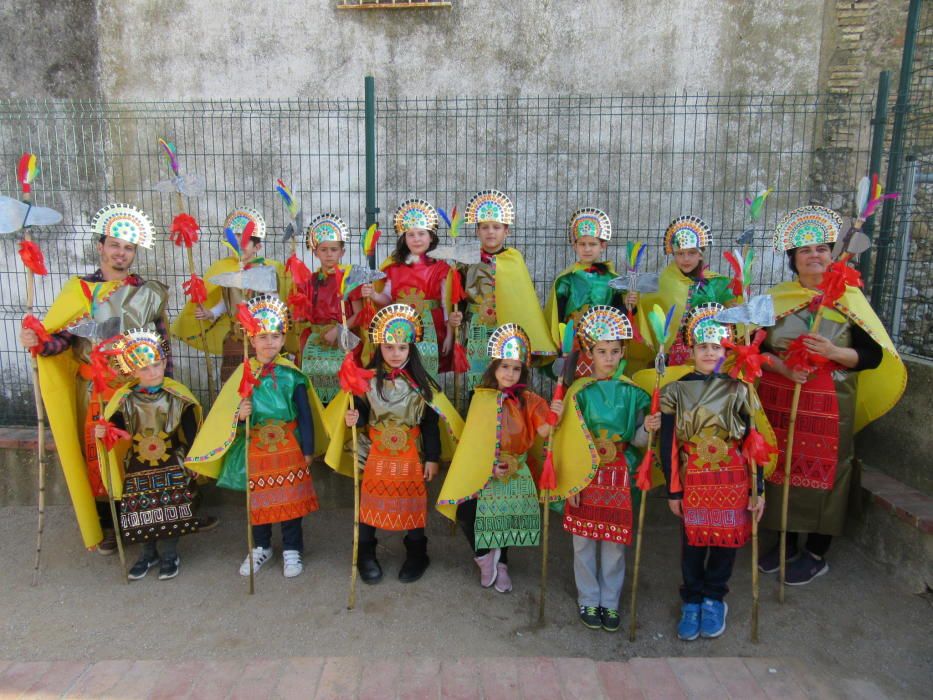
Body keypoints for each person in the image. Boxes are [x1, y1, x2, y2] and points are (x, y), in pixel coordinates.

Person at [757, 205, 906, 584]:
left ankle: (816, 550)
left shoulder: (848, 298)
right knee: (782, 470)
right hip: (781, 397)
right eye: (805, 251)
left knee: (825, 473)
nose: (814, 256)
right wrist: (786, 368)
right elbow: (754, 349)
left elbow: (872, 356)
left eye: (821, 249)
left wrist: (835, 353)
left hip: (829, 404)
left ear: (831, 254)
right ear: (793, 259)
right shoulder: (776, 299)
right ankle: (786, 541)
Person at [19, 203, 170, 552]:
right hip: (95, 390)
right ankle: (107, 524)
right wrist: (38, 341)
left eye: (128, 247)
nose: (121, 252)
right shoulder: (81, 292)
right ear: (100, 245)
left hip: (137, 387)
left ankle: (149, 520)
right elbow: (61, 341)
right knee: (100, 455)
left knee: (142, 452)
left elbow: (162, 343)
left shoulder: (146, 292)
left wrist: (166, 383)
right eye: (115, 244)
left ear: (135, 252)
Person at [185, 294, 327, 578]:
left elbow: (306, 414)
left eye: (275, 336)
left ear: (283, 338)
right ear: (251, 340)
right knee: (259, 500)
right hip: (257, 447)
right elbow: (225, 413)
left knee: (288, 500)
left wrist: (308, 449)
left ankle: (292, 548)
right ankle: (260, 546)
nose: (269, 343)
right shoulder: (243, 373)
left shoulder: (293, 375)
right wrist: (239, 414)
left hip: (288, 447)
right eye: (262, 337)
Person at [324, 303, 463, 584]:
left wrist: (432, 458)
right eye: (389, 347)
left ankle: (417, 553)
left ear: (411, 347)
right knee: (369, 504)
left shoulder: (423, 385)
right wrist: (355, 415)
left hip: (410, 455)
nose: (395, 353)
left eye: (401, 347)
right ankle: (365, 553)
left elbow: (430, 423)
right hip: (377, 454)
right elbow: (364, 410)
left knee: (413, 504)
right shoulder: (368, 380)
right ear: (379, 348)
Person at [658, 303, 766, 641]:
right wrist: (673, 491)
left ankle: (714, 598)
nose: (709, 352)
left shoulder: (740, 389)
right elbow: (668, 445)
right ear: (691, 349)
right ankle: (691, 599)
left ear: (726, 350)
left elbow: (754, 441)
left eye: (716, 346)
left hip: (733, 478)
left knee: (724, 543)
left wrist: (757, 488)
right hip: (693, 479)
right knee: (692, 544)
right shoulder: (675, 390)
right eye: (702, 346)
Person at [550, 305, 657, 632]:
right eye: (601, 351)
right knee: (583, 542)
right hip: (585, 475)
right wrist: (557, 414)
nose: (609, 358)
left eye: (614, 351)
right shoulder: (578, 392)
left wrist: (649, 429)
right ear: (589, 354)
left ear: (623, 352)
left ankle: (610, 603)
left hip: (619, 475)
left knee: (614, 543)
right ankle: (588, 598)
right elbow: (566, 442)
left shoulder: (634, 393)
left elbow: (639, 443)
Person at [437, 323, 561, 593]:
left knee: (504, 518)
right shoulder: (481, 398)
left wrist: (556, 413)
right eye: (505, 366)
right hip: (485, 467)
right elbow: (474, 440)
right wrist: (487, 465)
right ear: (494, 367)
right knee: (468, 511)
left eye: (516, 368)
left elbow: (544, 431)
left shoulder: (531, 401)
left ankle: (502, 563)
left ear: (522, 371)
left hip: (516, 467)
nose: (510, 373)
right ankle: (484, 557)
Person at [96, 329, 201, 580]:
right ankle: (146, 554)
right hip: (138, 464)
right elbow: (117, 430)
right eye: (144, 368)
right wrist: (105, 429)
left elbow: (191, 430)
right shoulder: (125, 401)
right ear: (132, 371)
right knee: (140, 510)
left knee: (170, 508)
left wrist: (195, 458)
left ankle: (168, 554)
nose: (152, 372)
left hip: (171, 462)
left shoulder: (177, 397)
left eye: (156, 364)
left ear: (164, 362)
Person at [454, 190, 557, 391]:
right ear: (477, 231)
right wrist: (456, 312)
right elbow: (458, 296)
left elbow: (523, 299)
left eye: (496, 227)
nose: (490, 232)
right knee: (479, 380)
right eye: (484, 227)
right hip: (478, 329)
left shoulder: (514, 259)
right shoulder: (466, 260)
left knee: (506, 379)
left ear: (506, 231)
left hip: (506, 330)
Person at [171, 207, 287, 381]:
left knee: (263, 379)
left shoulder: (266, 272)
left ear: (257, 247)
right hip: (237, 336)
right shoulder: (228, 272)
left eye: (245, 240)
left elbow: (274, 303)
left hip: (262, 337)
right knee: (234, 380)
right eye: (236, 238)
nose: (239, 243)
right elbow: (228, 302)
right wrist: (211, 313)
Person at [363, 199, 459, 376]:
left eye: (421, 234)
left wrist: (449, 335)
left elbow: (447, 306)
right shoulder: (393, 267)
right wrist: (374, 295)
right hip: (401, 330)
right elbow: (388, 299)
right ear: (404, 238)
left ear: (431, 237)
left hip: (432, 328)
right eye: (411, 234)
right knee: (402, 372)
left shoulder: (442, 268)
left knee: (427, 374)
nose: (416, 239)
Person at [629, 215, 734, 373]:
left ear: (701, 254)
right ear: (673, 254)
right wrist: (634, 305)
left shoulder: (715, 283)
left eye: (691, 253)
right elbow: (647, 310)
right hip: (674, 353)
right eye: (680, 253)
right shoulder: (664, 282)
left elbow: (730, 316)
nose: (686, 259)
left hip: (707, 352)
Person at [544, 208, 632, 378]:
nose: (587, 249)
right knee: (571, 378)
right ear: (574, 245)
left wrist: (630, 306)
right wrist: (560, 342)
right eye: (582, 244)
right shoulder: (566, 279)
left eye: (592, 244)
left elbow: (619, 313)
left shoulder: (613, 280)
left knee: (602, 377)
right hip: (574, 340)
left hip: (603, 343)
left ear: (603, 246)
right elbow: (558, 315)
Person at [297, 213, 363, 404]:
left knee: (343, 389)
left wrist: (339, 330)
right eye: (323, 249)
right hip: (316, 339)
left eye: (334, 249)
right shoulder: (309, 281)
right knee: (314, 389)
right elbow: (305, 314)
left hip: (343, 338)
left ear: (342, 252)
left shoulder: (350, 279)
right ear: (315, 252)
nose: (329, 254)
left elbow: (359, 314)